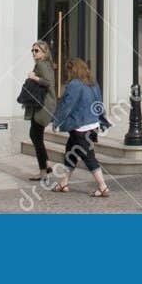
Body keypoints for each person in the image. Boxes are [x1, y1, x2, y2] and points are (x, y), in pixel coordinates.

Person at [51, 57, 112, 197]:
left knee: (89, 157)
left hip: (80, 126)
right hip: (92, 125)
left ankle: (103, 187)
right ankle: (63, 183)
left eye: (68, 70)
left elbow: (67, 105)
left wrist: (56, 122)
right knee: (70, 153)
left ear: (73, 69)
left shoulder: (74, 84)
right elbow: (99, 104)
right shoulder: (92, 83)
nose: (67, 73)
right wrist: (102, 120)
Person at [22, 40, 57, 179]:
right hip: (43, 105)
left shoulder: (42, 65)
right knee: (37, 136)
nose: (33, 53)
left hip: (43, 105)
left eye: (36, 50)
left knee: (35, 136)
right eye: (32, 50)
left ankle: (43, 171)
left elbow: (49, 83)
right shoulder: (45, 64)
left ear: (44, 52)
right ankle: (46, 164)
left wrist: (34, 77)